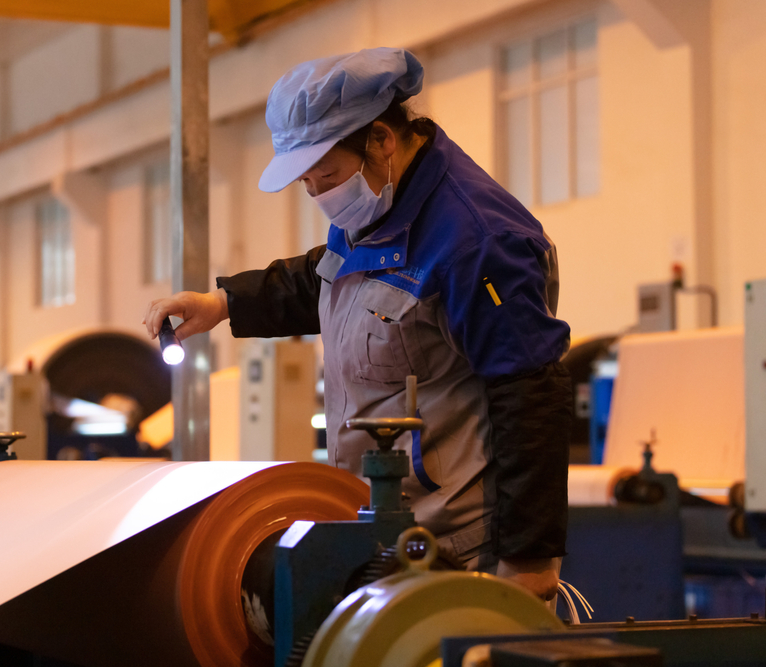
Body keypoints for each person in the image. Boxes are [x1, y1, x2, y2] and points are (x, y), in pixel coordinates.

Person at [144, 47, 573, 600]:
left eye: (327, 176)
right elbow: (328, 278)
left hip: (456, 553)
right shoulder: (378, 204)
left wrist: (529, 564)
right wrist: (222, 303)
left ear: (382, 141)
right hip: (378, 532)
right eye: (309, 185)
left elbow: (531, 394)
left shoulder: (477, 242)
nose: (321, 197)